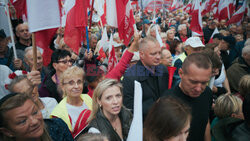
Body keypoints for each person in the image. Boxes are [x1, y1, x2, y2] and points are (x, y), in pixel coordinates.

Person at [163, 53, 213, 141]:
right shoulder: (166, 102)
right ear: (181, 73)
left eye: (204, 83)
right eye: (193, 82)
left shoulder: (207, 92)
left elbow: (205, 121)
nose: (198, 88)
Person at [122, 36, 169, 119]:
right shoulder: (130, 77)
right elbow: (128, 108)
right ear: (141, 55)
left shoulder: (163, 70)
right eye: (153, 54)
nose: (158, 57)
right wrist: (155, 106)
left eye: (159, 53)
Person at [0, 93, 74, 141]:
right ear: (7, 132)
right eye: (23, 121)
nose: (34, 121)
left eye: (35, 112)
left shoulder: (57, 127)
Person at [50, 66, 92, 138]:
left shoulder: (87, 98)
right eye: (71, 83)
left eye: (79, 82)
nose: (76, 86)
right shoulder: (58, 114)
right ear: (63, 87)